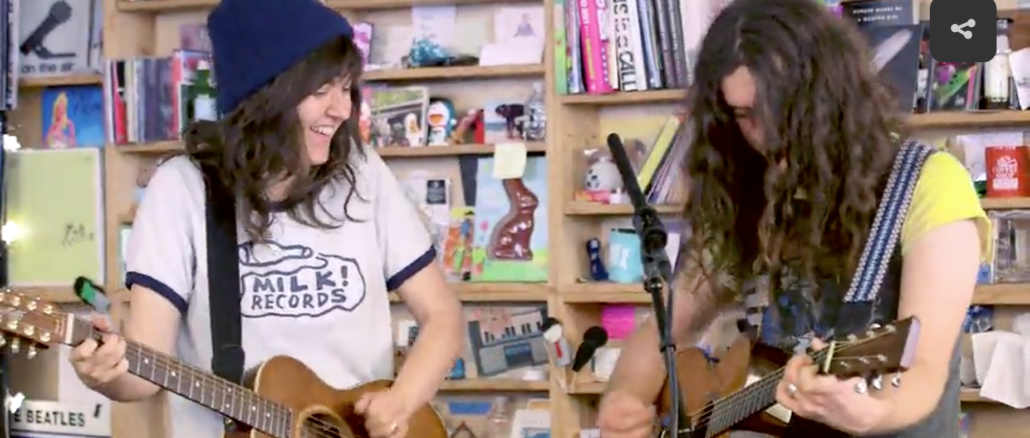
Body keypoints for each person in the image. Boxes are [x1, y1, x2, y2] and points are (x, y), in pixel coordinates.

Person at [66, 0, 465, 437]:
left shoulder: (362, 174)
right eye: (321, 91)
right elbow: (143, 371)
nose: (342, 109)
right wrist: (102, 371)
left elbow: (442, 316)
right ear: (267, 96)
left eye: (347, 88)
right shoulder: (182, 190)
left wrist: (400, 401)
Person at [596, 0, 986, 437]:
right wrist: (625, 396)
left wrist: (872, 413)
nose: (765, 135)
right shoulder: (747, 190)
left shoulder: (929, 183)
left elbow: (924, 368)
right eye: (743, 116)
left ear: (828, 95)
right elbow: (664, 330)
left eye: (778, 108)